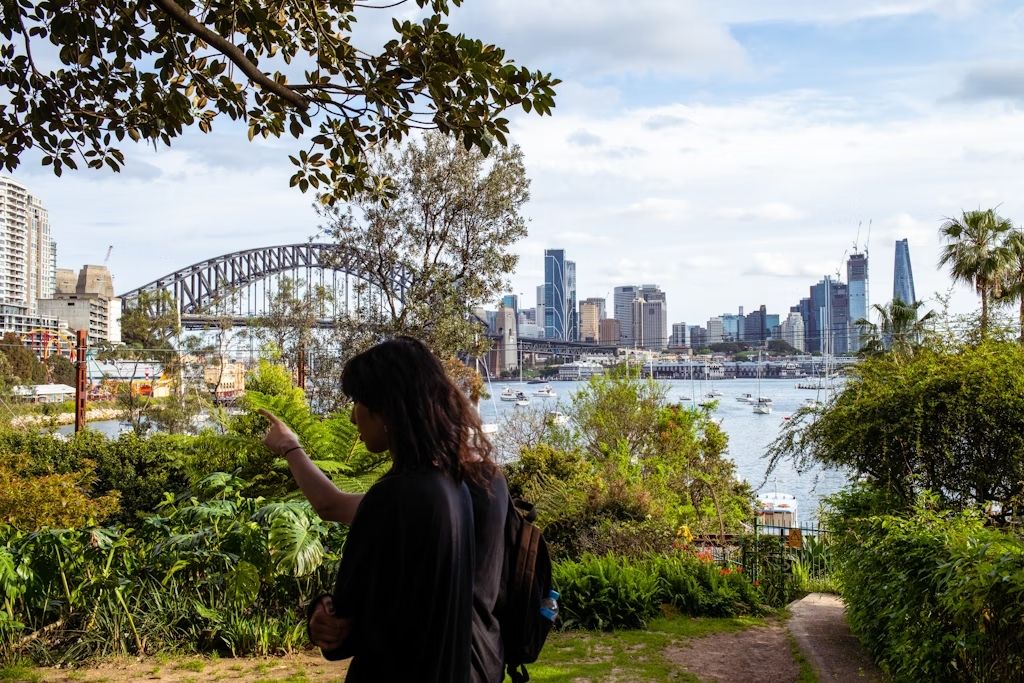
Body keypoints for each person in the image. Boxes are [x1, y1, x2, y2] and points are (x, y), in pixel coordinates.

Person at [261, 336, 508, 682]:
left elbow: (344, 627)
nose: (352, 417)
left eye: (359, 401)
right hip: (473, 664)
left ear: (388, 409)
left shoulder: (395, 498)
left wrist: (324, 614)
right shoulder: (462, 486)